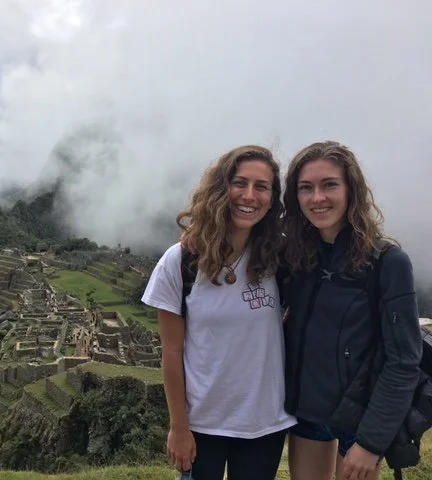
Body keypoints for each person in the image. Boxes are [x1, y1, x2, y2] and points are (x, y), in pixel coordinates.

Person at [142, 145, 296, 480]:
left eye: (262, 187)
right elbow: (172, 351)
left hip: (264, 422)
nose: (249, 196)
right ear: (220, 188)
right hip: (203, 424)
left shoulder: (278, 259)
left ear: (272, 198)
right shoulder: (181, 261)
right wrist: (179, 428)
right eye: (239, 183)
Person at [280, 141, 421, 480]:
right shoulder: (297, 258)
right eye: (306, 188)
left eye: (329, 185)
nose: (317, 198)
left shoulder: (387, 262)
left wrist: (371, 443)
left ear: (351, 189)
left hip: (360, 420)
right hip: (308, 411)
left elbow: (403, 360)